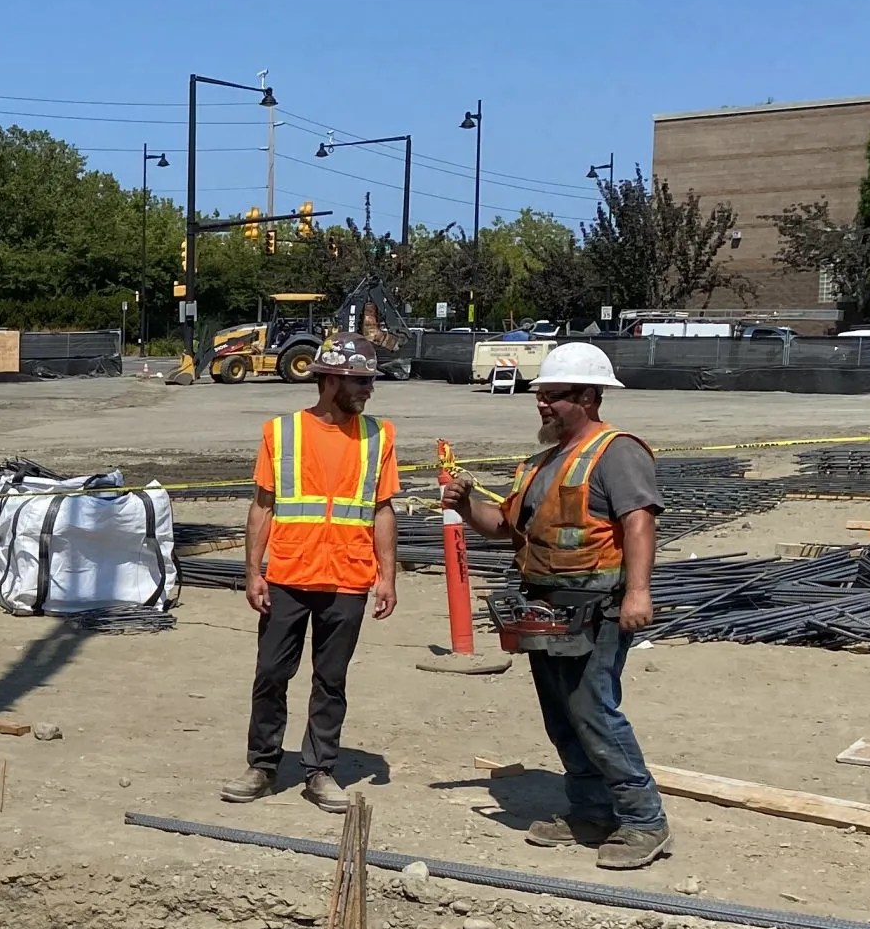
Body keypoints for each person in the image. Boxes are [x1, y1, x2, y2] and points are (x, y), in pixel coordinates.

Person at [441, 341, 671, 869]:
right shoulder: (542, 462)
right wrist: (467, 504)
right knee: (562, 714)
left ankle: (644, 820)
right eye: (540, 394)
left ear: (588, 396)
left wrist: (638, 592)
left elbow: (639, 521)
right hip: (545, 605)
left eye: (553, 395)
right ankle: (591, 810)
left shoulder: (617, 452)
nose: (542, 403)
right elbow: (505, 527)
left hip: (597, 605)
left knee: (593, 709)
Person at [222, 335, 400, 814]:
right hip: (288, 574)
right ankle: (262, 766)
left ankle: (319, 771)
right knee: (270, 673)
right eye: (361, 381)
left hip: (348, 576)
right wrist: (253, 571)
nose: (369, 389)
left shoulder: (379, 436)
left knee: (330, 679)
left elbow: (383, 509)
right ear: (332, 380)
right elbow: (263, 505)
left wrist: (387, 576)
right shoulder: (281, 433)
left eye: (369, 381)